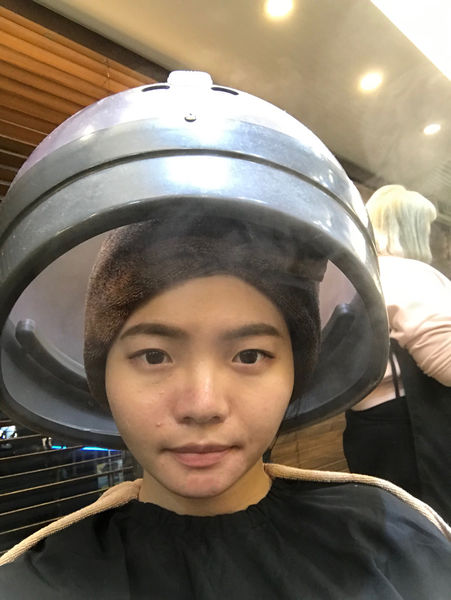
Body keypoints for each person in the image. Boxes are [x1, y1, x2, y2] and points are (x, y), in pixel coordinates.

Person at [0, 77, 450, 599]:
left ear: (297, 369)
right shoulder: (31, 584)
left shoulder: (401, 542)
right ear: (102, 373)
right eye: (154, 355)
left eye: (249, 355)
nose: (203, 405)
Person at [344, 184, 451, 521]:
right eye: (427, 228)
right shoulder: (407, 274)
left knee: (396, 525)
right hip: (411, 429)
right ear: (411, 228)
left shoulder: (363, 275)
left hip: (369, 425)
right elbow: (447, 363)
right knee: (431, 526)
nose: (434, 238)